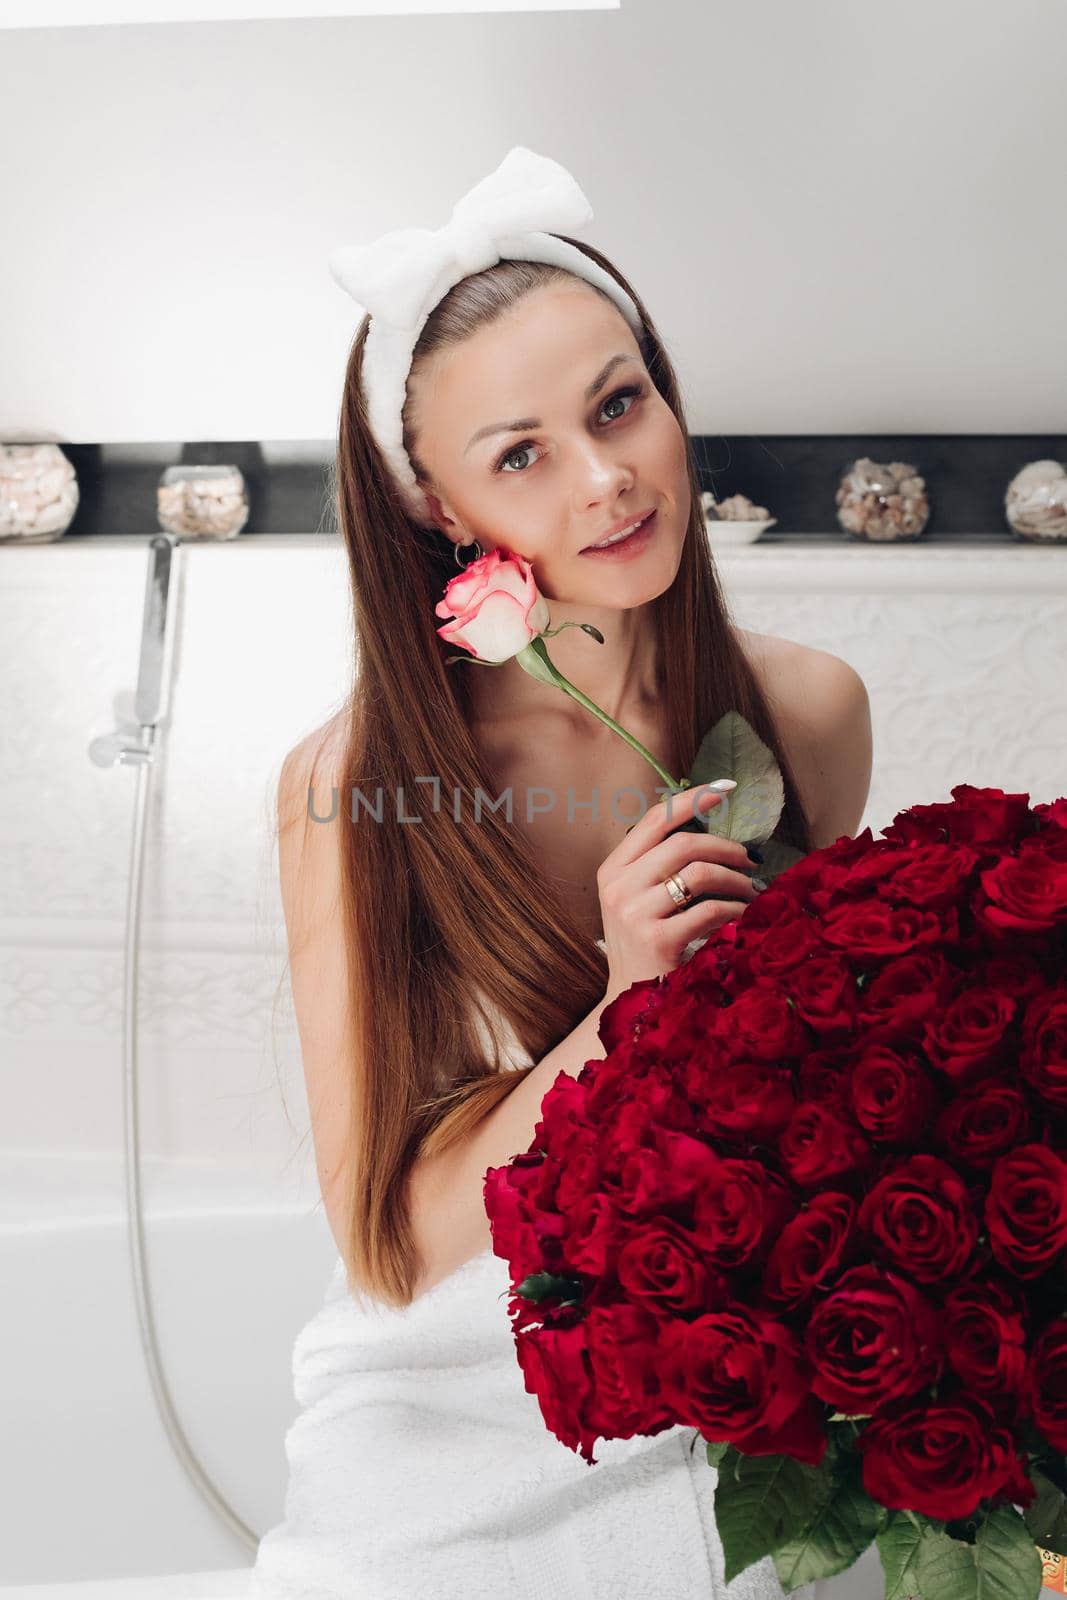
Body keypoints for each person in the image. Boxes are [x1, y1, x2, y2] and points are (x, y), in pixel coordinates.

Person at [249, 146, 871, 1600]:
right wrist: (624, 1003)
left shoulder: (807, 715)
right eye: (521, 454)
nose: (608, 481)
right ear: (440, 513)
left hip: (717, 1368)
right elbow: (394, 1250)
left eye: (619, 405)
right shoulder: (353, 793)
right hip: (452, 1388)